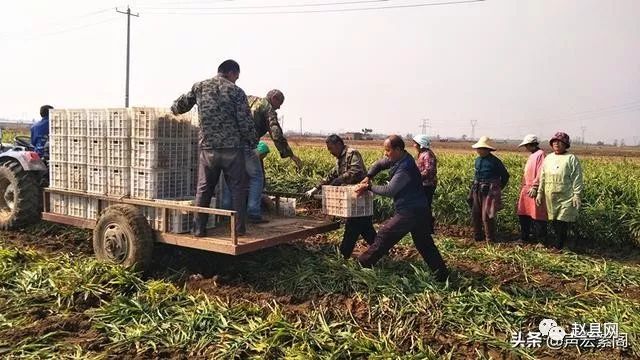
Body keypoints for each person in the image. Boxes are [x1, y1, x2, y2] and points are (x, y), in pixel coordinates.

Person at [171, 59, 257, 237]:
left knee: (204, 189)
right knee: (238, 189)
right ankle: (239, 229)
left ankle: (198, 229)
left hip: (208, 148)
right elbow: (245, 121)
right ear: (232, 73)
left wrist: (173, 110)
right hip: (232, 149)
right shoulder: (236, 91)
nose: (236, 80)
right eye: (236, 77)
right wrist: (252, 141)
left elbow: (181, 105)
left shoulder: (200, 86)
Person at [354, 135, 449, 281]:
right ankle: (442, 274)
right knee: (424, 243)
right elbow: (379, 164)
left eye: (388, 150)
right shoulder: (399, 158)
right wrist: (369, 176)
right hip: (419, 209)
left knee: (385, 234)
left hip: (410, 211)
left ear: (398, 149)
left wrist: (369, 187)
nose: (385, 153)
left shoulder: (405, 167)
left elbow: (390, 190)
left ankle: (362, 264)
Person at [305, 135, 376, 258]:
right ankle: (380, 248)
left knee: (353, 226)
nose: (330, 152)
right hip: (352, 198)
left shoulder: (352, 154)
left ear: (338, 144)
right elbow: (331, 175)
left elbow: (356, 171)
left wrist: (339, 180)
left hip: (360, 195)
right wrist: (316, 188)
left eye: (331, 148)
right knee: (364, 227)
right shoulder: (339, 158)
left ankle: (344, 254)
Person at [536, 132, 583, 249]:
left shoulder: (571, 158)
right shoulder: (548, 158)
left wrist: (577, 194)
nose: (556, 143)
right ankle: (559, 245)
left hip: (566, 196)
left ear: (565, 144)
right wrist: (539, 192)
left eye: (560, 142)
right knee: (554, 221)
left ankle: (559, 247)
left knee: (562, 221)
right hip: (550, 195)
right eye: (554, 141)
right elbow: (542, 176)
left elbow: (577, 177)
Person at [468, 136, 510, 242]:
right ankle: (478, 236)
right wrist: (471, 191)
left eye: (481, 148)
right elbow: (476, 176)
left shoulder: (495, 161)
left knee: (487, 215)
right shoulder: (477, 160)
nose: (478, 150)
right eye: (478, 148)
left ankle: (489, 238)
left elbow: (505, 176)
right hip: (477, 189)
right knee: (475, 213)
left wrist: (497, 188)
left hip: (489, 191)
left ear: (487, 149)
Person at [516, 134, 547, 243]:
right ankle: (524, 237)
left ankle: (540, 241)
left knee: (538, 215)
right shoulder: (533, 155)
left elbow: (540, 172)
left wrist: (535, 187)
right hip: (526, 188)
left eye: (526, 145)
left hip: (534, 189)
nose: (526, 148)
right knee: (523, 214)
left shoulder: (540, 154)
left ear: (530, 144)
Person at [412, 134, 438, 232]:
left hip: (427, 185)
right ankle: (423, 227)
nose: (414, 145)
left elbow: (429, 171)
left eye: (415, 144)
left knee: (425, 206)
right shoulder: (421, 154)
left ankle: (428, 228)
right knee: (422, 206)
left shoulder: (427, 155)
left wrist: (416, 178)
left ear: (421, 144)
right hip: (422, 184)